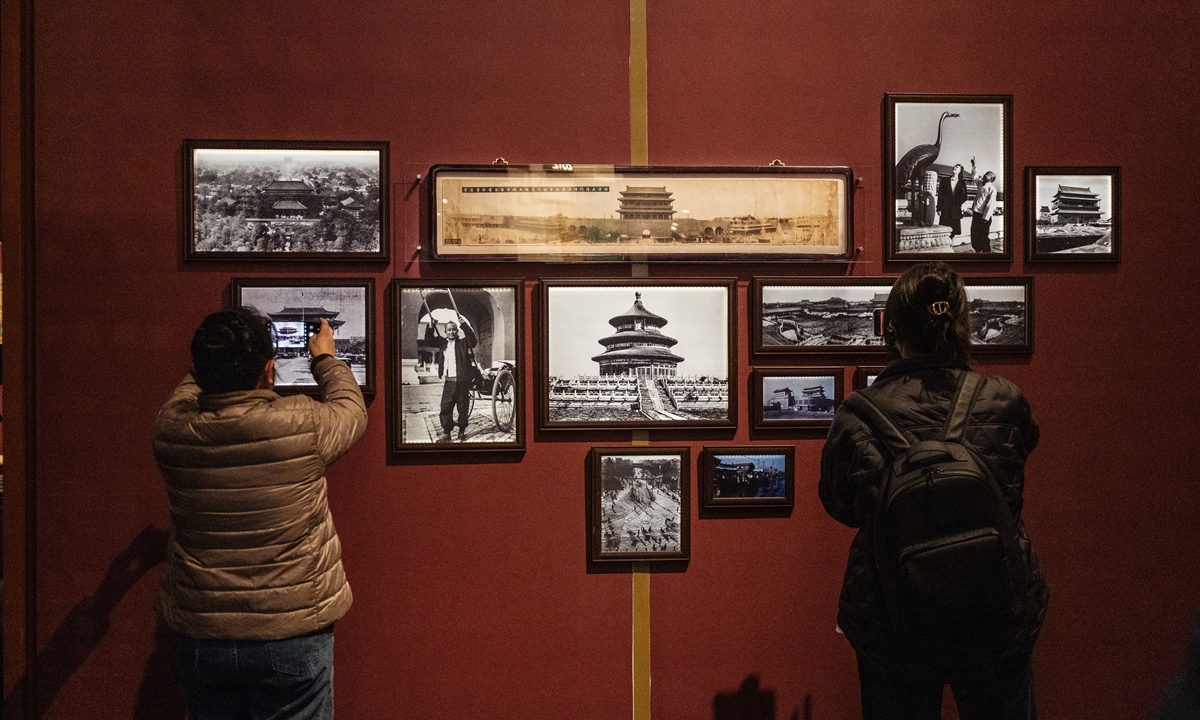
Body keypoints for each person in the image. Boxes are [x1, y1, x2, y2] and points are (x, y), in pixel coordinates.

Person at [819, 262, 1048, 720]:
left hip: (892, 612)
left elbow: (839, 504)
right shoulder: (1005, 400)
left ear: (894, 331)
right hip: (995, 607)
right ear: (961, 326)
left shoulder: (857, 413)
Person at [153, 308, 367, 720]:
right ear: (270, 370)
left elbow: (185, 393)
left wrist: (213, 364)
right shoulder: (302, 422)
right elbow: (351, 410)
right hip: (294, 630)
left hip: (205, 633)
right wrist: (325, 358)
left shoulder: (171, 430)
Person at [424, 316, 478, 442]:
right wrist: (431, 326)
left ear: (457, 331)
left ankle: (462, 431)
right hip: (449, 381)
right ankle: (446, 433)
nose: (452, 332)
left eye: (454, 329)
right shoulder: (443, 343)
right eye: (449, 330)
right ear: (445, 332)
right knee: (446, 406)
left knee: (462, 407)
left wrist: (464, 325)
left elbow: (473, 341)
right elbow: (429, 340)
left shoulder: (463, 343)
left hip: (463, 381)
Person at [969, 158, 998, 253]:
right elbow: (975, 176)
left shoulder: (992, 189)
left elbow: (990, 205)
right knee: (974, 234)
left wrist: (985, 218)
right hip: (976, 214)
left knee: (983, 235)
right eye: (986, 173)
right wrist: (974, 166)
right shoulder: (981, 184)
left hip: (984, 217)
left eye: (988, 174)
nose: (985, 174)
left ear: (992, 179)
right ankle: (977, 250)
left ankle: (986, 252)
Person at [937, 163, 968, 240]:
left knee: (953, 231)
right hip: (945, 209)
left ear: (960, 171)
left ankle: (951, 248)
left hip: (955, 209)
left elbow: (964, 196)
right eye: (954, 166)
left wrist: (957, 203)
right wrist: (939, 208)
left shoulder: (962, 182)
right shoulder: (944, 180)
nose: (955, 167)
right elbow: (940, 195)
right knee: (944, 229)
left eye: (957, 167)